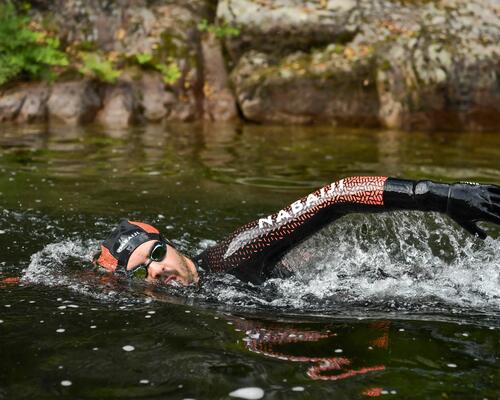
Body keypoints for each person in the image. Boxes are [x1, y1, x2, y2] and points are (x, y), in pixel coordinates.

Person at [94, 176, 500, 286]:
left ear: (173, 246)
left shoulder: (234, 255)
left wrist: (440, 195)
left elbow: (338, 193)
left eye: (156, 254)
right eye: (140, 271)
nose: (156, 270)